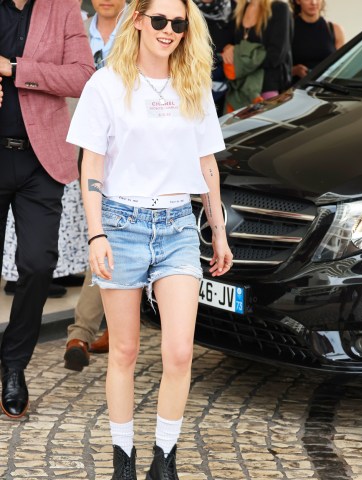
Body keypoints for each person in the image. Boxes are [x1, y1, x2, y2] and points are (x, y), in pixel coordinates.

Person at [67, 0, 233, 478]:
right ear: (137, 19)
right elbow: (91, 165)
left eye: (178, 23)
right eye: (158, 20)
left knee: (180, 350)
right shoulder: (107, 83)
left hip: (179, 225)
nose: (168, 30)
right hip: (120, 224)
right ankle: (124, 458)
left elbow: (207, 165)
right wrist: (96, 232)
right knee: (124, 350)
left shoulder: (192, 83)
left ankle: (164, 459)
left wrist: (217, 233)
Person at [0, 0, 94, 419]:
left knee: (38, 264)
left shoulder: (63, 8)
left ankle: (14, 365)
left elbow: (81, 76)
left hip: (41, 162)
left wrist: (15, 70)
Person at [64, 0, 128, 372]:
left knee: (107, 231)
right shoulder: (76, 30)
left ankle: (82, 331)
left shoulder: (141, 30)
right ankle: (102, 328)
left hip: (125, 149)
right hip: (82, 144)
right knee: (97, 230)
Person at [222, 0, 293, 111]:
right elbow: (229, 45)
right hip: (239, 90)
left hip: (267, 89)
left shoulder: (279, 8)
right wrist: (228, 49)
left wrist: (238, 53)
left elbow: (276, 56)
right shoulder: (239, 9)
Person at [193, 0, 235, 116]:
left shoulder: (232, 6)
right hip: (195, 72)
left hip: (226, 74)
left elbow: (243, 37)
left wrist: (234, 47)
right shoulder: (187, 6)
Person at [289, 0, 345, 83]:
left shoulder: (335, 30)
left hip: (325, 90)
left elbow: (341, 66)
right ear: (297, 1)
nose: (314, 2)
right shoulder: (287, 30)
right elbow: (275, 70)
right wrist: (295, 70)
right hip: (295, 90)